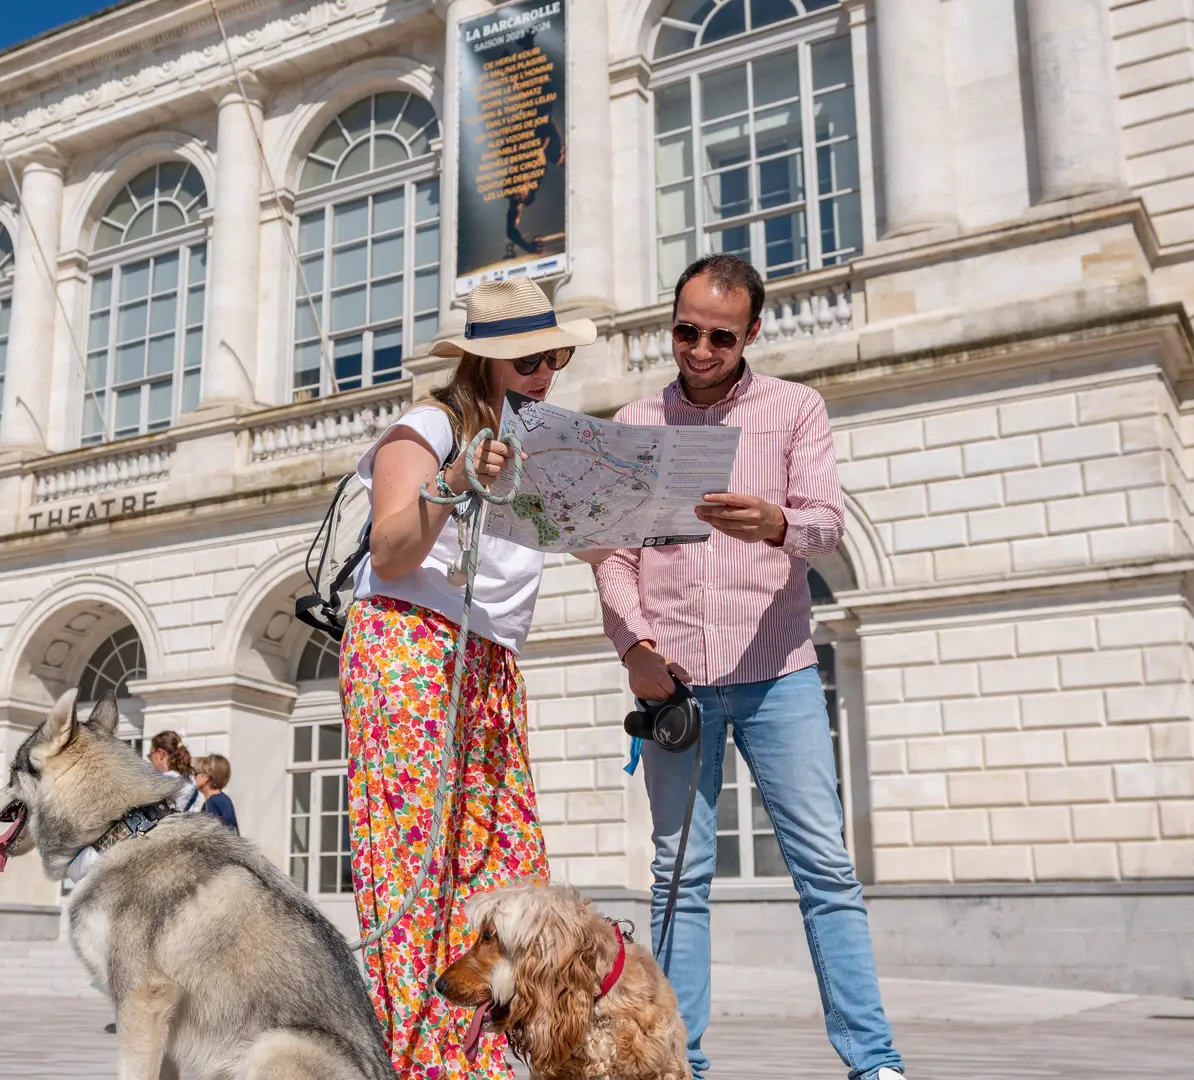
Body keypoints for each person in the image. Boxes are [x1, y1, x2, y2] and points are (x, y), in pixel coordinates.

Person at [589, 254, 905, 1080]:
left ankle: (874, 1063)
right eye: (684, 330)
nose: (697, 349)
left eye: (718, 337)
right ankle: (674, 1063)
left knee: (827, 872)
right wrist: (633, 649)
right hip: (676, 684)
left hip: (779, 675)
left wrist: (773, 522)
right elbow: (612, 556)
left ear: (752, 332)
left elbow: (827, 526)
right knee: (676, 879)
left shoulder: (796, 410)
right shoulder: (633, 421)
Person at [341, 276, 594, 1080]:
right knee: (416, 869)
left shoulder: (540, 442)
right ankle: (424, 1064)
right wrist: (456, 480)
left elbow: (579, 538)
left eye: (554, 354)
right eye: (527, 356)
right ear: (484, 361)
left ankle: (491, 1059)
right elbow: (390, 550)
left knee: (501, 865)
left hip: (488, 660)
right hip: (412, 648)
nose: (546, 369)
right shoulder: (429, 425)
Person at [148, 730, 202, 812]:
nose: (150, 761)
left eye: (150, 756)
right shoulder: (190, 782)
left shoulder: (161, 783)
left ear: (161, 754)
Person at [192, 754, 238, 834]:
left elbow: (212, 838)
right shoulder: (220, 800)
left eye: (196, 773)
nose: (194, 777)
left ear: (206, 776)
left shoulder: (214, 802)